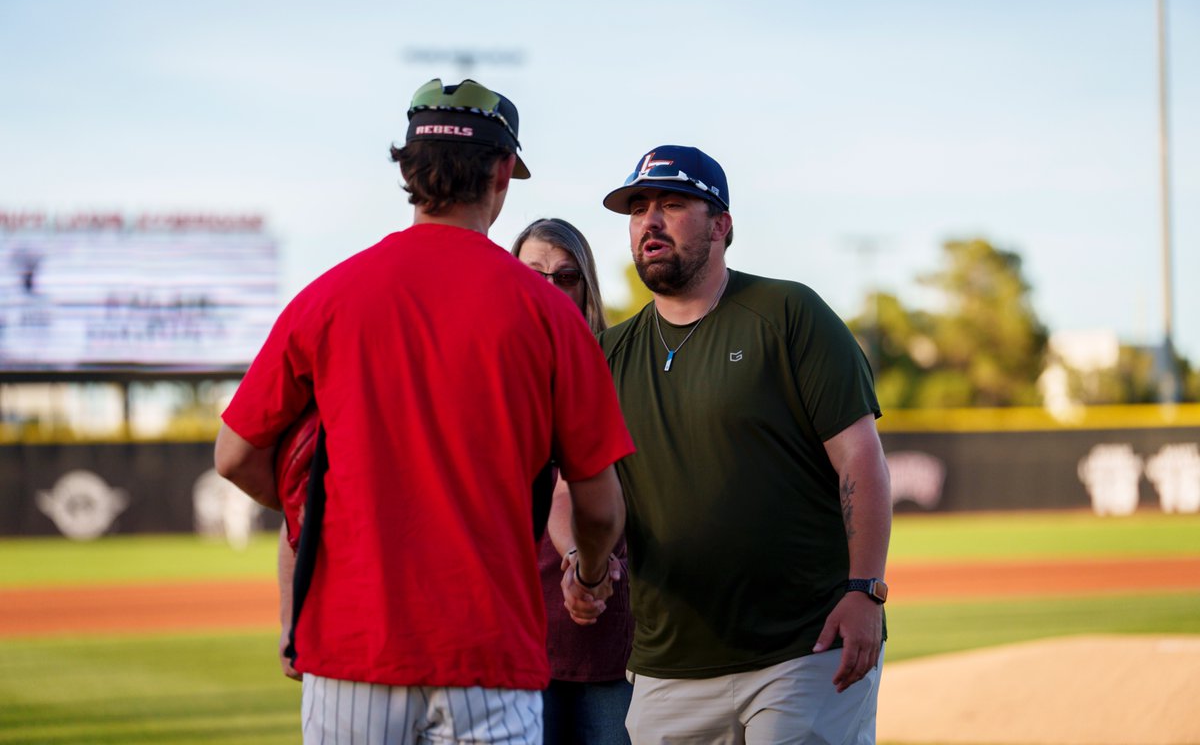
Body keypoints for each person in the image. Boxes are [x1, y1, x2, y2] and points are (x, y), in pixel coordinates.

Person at [214, 78, 633, 745]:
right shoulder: (549, 312)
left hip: (353, 646)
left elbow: (233, 456)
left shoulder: (329, 296)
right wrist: (586, 577)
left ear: (409, 171)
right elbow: (601, 506)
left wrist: (322, 518)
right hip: (492, 654)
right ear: (502, 173)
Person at [589, 145, 893, 744]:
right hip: (667, 663)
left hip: (804, 649)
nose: (650, 220)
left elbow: (860, 457)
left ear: (721, 225)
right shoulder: (610, 353)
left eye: (673, 204)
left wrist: (865, 590)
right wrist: (581, 562)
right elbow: (583, 485)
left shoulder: (786, 313)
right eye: (638, 208)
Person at [512, 218, 634, 745]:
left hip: (606, 623)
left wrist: (586, 572)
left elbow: (577, 487)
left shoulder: (616, 368)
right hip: (517, 633)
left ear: (587, 289)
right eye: (534, 274)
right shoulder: (489, 369)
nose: (550, 289)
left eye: (566, 277)